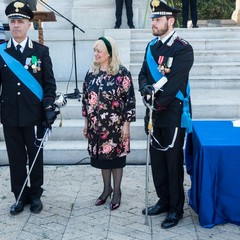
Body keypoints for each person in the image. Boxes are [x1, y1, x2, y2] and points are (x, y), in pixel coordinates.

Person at [138, 0, 194, 229]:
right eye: (153, 19)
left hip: (171, 113)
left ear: (170, 21)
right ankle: (163, 200)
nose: (154, 23)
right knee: (158, 162)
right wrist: (144, 89)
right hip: (154, 112)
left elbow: (174, 85)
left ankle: (175, 208)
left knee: (172, 162)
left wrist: (155, 104)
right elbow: (142, 74)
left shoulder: (182, 48)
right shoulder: (152, 46)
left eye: (158, 19)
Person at [0, 1, 56, 215]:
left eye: (20, 21)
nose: (16, 25)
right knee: (15, 159)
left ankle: (35, 197)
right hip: (11, 117)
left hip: (34, 117)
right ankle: (19, 196)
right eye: (13, 21)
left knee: (35, 158)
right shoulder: (2, 52)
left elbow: (49, 84)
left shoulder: (40, 52)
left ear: (29, 25)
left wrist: (49, 107)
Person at [82, 36, 136, 211]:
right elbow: (85, 100)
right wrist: (86, 122)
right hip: (96, 125)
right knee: (102, 160)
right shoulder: (91, 73)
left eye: (99, 51)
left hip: (116, 125)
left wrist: (126, 124)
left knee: (116, 159)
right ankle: (106, 189)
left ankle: (117, 192)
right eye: (94, 50)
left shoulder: (122, 73)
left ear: (109, 53)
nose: (95, 54)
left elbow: (129, 100)